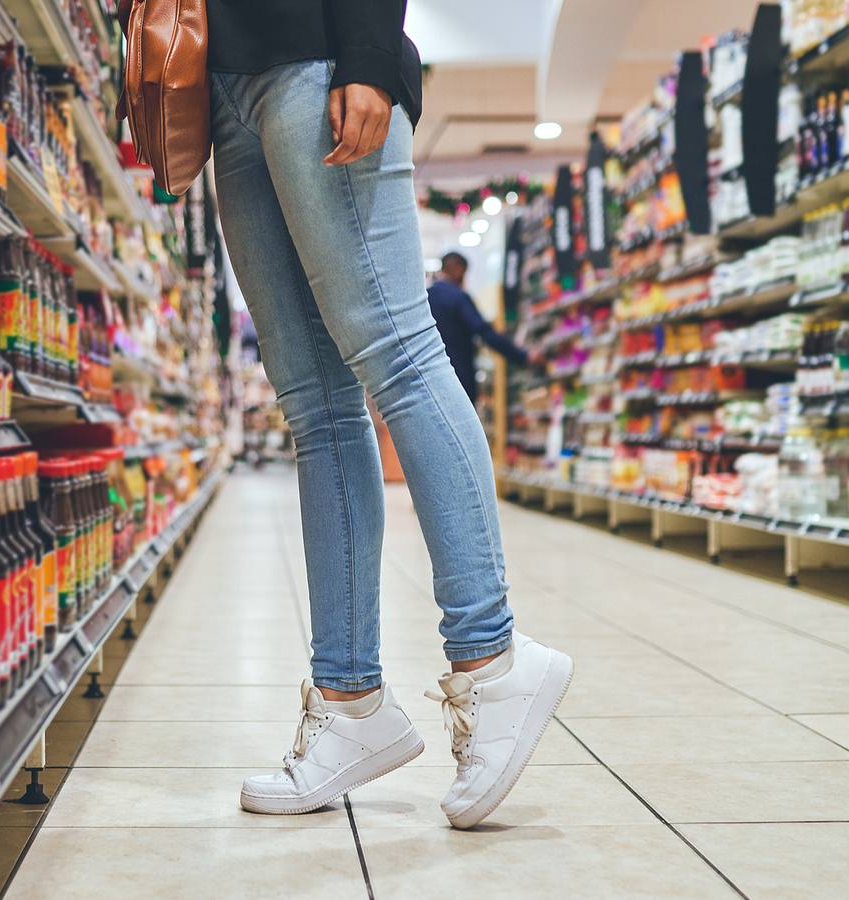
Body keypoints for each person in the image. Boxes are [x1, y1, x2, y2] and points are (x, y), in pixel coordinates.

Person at [198, 0, 573, 829]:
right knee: (316, 409)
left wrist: (366, 55)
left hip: (315, 55)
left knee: (400, 357)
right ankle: (350, 704)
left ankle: (493, 659)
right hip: (220, 83)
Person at [427, 251, 539, 402]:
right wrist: (522, 356)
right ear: (459, 269)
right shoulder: (458, 297)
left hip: (432, 380)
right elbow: (485, 332)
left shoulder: (426, 298)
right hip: (459, 378)